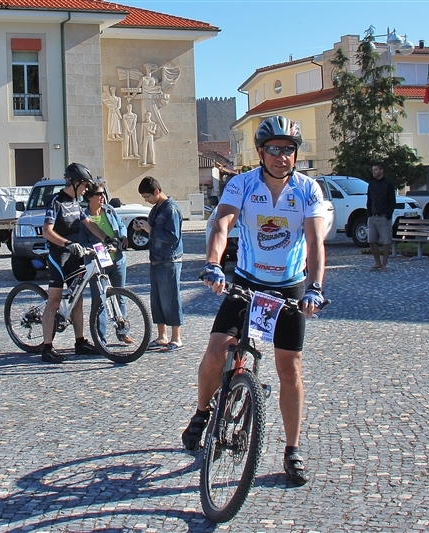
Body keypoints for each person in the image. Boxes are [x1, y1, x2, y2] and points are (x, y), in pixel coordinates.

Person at [182, 116, 327, 485]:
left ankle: (292, 450)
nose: (282, 156)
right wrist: (214, 265)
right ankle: (202, 412)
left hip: (290, 287)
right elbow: (222, 224)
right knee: (217, 350)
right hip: (247, 283)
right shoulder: (241, 184)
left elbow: (314, 242)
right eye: (274, 149)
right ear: (261, 152)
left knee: (289, 369)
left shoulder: (308, 189)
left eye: (289, 149)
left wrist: (315, 287)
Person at [40, 163, 108, 363]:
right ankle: (46, 347)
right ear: (75, 183)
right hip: (58, 255)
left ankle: (80, 342)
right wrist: (67, 243)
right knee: (54, 300)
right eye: (85, 186)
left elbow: (88, 223)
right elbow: (47, 231)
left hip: (74, 256)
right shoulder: (56, 202)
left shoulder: (75, 203)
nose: (87, 190)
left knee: (77, 299)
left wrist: (107, 238)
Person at [79, 180, 132, 345]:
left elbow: (121, 226)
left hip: (118, 260)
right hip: (98, 264)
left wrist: (123, 236)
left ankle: (122, 332)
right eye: (99, 194)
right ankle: (100, 339)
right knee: (100, 301)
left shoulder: (109, 210)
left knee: (120, 297)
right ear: (89, 197)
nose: (103, 197)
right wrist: (102, 249)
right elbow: (83, 242)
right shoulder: (84, 217)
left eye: (103, 193)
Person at [137, 176, 184, 351]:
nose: (147, 200)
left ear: (157, 191)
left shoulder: (171, 209)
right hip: (156, 259)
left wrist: (151, 229)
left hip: (169, 261)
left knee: (171, 298)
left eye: (148, 196)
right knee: (157, 300)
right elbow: (153, 232)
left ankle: (176, 337)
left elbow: (173, 236)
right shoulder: (156, 208)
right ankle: (162, 336)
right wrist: (142, 228)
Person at [366, 161, 396, 272]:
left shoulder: (388, 184)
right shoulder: (371, 184)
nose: (373, 172)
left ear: (381, 170)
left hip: (384, 217)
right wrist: (369, 214)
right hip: (373, 216)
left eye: (376, 169)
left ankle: (384, 263)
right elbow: (369, 200)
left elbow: (392, 201)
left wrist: (388, 215)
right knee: (371, 240)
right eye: (373, 169)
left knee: (386, 241)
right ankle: (377, 262)